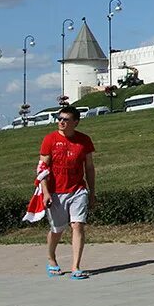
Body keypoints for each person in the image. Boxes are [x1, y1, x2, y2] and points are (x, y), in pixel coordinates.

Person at [39, 105, 97, 280]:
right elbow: (42, 168)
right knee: (57, 229)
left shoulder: (84, 141)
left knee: (78, 225)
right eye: (59, 119)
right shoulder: (50, 139)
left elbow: (89, 167)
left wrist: (92, 192)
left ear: (75, 122)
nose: (61, 122)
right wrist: (46, 192)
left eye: (65, 119)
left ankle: (75, 267)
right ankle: (51, 258)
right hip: (56, 191)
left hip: (78, 190)